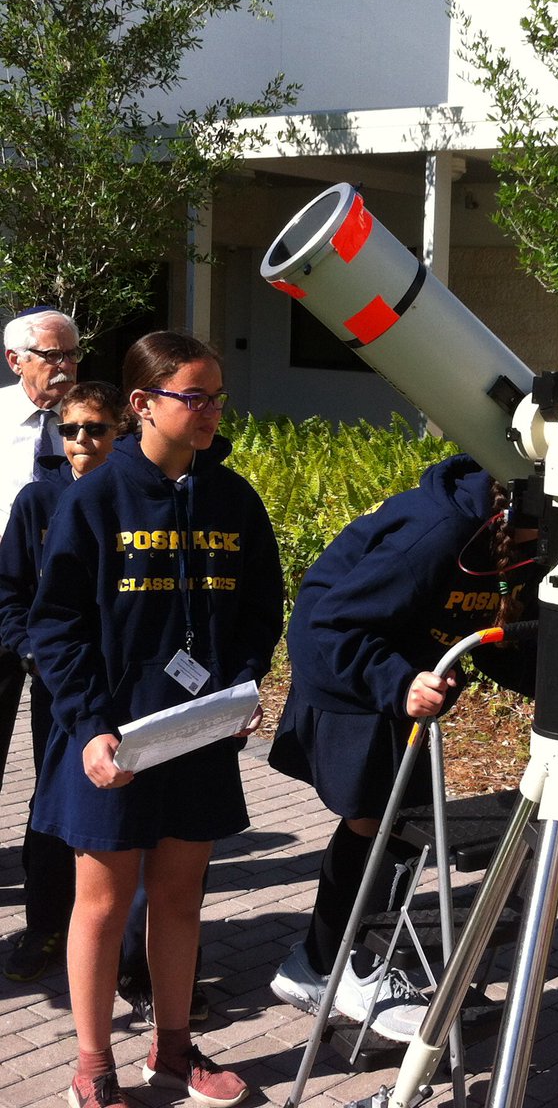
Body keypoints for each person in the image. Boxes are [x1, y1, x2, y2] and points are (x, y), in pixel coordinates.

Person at [27, 331, 284, 1108]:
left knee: (180, 897)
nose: (209, 411)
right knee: (103, 904)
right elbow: (56, 624)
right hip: (112, 739)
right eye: (193, 396)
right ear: (142, 404)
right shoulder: (94, 498)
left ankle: (173, 1053)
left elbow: (259, 611)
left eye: (216, 397)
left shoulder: (233, 499)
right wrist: (89, 724)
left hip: (198, 734)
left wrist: (240, 687)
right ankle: (92, 1061)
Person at [268, 452, 539, 1042]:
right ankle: (351, 967)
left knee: (391, 827)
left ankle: (317, 964)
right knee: (381, 823)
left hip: (400, 681)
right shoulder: (438, 531)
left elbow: (488, 631)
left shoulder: (512, 538)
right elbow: (332, 623)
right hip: (354, 681)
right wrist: (395, 681)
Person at [0, 381, 126, 982]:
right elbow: (10, 594)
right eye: (70, 429)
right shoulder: (38, 502)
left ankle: (133, 960)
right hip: (62, 682)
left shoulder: (139, 498)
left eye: (96, 429)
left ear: (120, 432)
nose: (80, 441)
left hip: (130, 683)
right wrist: (29, 648)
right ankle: (46, 925)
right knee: (53, 803)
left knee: (132, 807)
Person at [0, 308, 83, 790]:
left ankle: (49, 853)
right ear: (15, 360)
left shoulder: (92, 423)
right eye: (53, 354)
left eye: (72, 354)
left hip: (66, 602)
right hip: (4, 592)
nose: (66, 365)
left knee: (57, 744)